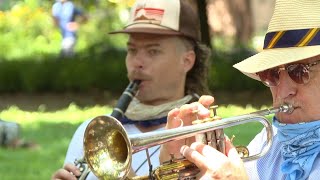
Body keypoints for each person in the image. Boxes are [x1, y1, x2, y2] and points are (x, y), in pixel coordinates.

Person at [51, 0, 211, 179]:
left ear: (187, 61)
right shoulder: (90, 133)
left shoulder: (203, 139)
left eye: (153, 51)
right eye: (132, 50)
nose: (137, 63)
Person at [160, 0, 320, 179]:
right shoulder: (269, 139)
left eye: (299, 71)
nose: (282, 92)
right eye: (272, 74)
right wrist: (186, 169)